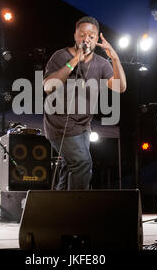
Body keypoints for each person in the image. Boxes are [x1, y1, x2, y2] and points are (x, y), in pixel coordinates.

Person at [43, 16, 127, 190]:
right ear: (75, 35)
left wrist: (115, 58)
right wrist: (75, 60)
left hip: (83, 127)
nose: (86, 39)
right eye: (82, 34)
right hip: (59, 124)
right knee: (82, 164)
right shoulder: (61, 56)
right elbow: (48, 86)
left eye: (91, 35)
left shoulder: (102, 63)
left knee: (70, 168)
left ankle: (59, 211)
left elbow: (120, 87)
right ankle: (77, 210)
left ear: (97, 39)